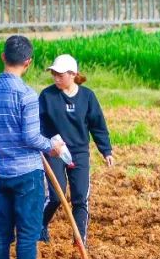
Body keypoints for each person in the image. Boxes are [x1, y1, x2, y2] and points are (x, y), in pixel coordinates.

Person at [0, 35, 66, 259]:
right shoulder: (27, 95)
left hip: (1, 172)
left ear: (3, 57)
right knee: (26, 233)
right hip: (27, 174)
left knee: (2, 232)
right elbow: (31, 137)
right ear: (28, 62)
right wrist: (52, 147)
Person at [39, 54, 113, 244]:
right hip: (54, 151)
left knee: (80, 198)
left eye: (60, 75)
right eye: (54, 74)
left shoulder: (87, 97)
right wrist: (44, 144)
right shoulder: (47, 96)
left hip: (79, 152)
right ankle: (39, 226)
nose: (56, 78)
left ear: (72, 74)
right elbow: (38, 125)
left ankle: (80, 240)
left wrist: (106, 150)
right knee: (56, 196)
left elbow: (98, 125)